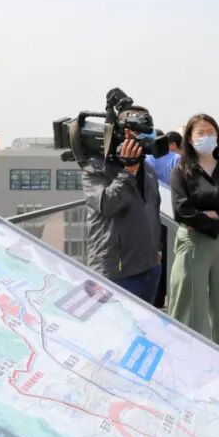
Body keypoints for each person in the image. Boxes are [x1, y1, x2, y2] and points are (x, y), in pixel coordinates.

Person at [82, 105, 163, 303]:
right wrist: (129, 171)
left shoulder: (148, 168)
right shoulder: (95, 168)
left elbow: (153, 210)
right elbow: (108, 204)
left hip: (149, 267)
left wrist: (157, 249)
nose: (147, 137)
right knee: (113, 321)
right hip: (116, 272)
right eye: (141, 131)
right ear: (124, 133)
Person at [169, 114, 219, 349]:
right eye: (201, 133)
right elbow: (182, 211)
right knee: (189, 308)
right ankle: (185, 356)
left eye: (211, 132)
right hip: (193, 243)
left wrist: (210, 215)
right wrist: (217, 222)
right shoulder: (181, 170)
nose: (207, 137)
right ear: (190, 138)